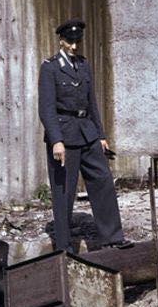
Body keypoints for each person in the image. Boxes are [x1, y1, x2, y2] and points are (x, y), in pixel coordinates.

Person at [38, 18, 133, 252]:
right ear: (61, 41)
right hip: (64, 134)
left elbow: (92, 103)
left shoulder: (83, 65)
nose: (74, 46)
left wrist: (101, 135)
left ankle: (112, 237)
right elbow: (46, 108)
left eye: (76, 41)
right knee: (64, 192)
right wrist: (56, 140)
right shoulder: (50, 67)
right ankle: (64, 247)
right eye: (69, 41)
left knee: (102, 180)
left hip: (87, 131)